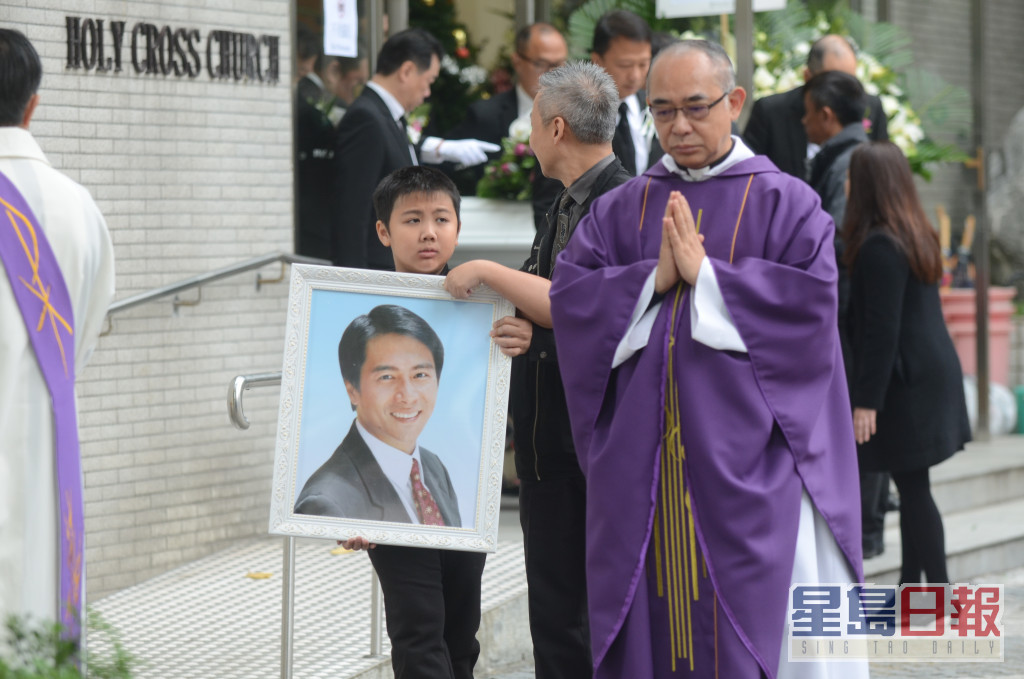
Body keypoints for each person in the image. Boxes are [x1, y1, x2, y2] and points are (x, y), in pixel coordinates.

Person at [549, 40, 865, 678]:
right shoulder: (621, 209)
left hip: (755, 473)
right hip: (644, 472)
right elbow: (573, 299)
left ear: (735, 102)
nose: (679, 127)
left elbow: (810, 313)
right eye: (661, 112)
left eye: (695, 108)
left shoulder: (788, 204)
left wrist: (709, 278)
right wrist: (652, 282)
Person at [446, 62, 630, 679]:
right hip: (551, 443)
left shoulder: (621, 205)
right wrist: (534, 329)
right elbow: (556, 304)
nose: (526, 136)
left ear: (556, 127)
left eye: (530, 121)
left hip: (592, 448)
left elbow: (587, 309)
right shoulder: (564, 204)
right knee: (556, 609)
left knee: (582, 613)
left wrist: (489, 276)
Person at [303, 167, 508, 679]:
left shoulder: (488, 306)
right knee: (419, 631)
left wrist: (521, 340)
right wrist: (343, 519)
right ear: (383, 231)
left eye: (441, 218)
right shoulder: (353, 299)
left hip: (460, 515)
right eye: (412, 219)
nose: (429, 232)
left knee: (461, 635)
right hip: (392, 524)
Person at [0, 28, 115, 637]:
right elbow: (88, 329)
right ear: (34, 103)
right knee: (39, 616)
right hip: (48, 441)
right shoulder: (80, 208)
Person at [843, 141, 971, 585]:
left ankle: (938, 593)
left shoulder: (879, 246)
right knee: (913, 482)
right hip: (928, 373)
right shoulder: (915, 232)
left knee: (913, 488)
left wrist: (866, 402)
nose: (844, 185)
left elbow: (881, 332)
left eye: (852, 178)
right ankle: (910, 587)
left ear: (867, 188)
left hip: (906, 384)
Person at [802, 70, 888, 559]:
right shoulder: (853, 154)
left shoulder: (847, 162)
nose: (803, 121)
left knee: (857, 424)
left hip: (846, 312)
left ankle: (864, 533)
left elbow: (833, 242)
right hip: (850, 310)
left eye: (809, 112)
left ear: (827, 115)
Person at [331, 28, 497, 270]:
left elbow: (393, 152)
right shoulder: (366, 118)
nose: (428, 92)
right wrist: (350, 280)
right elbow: (352, 211)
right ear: (407, 71)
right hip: (379, 269)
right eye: (428, 80)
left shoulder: (384, 115)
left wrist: (437, 148)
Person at [293, 304, 461, 523]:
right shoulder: (326, 501)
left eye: (420, 375)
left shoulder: (433, 467)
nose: (408, 396)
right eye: (387, 377)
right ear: (352, 390)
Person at [446, 23, 568, 229]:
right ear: (517, 61)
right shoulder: (485, 115)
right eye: (542, 64)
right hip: (494, 226)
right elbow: (448, 165)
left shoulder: (577, 115)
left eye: (560, 64)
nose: (553, 74)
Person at [743, 34, 888, 180]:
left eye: (851, 83)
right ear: (807, 77)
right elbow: (750, 177)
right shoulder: (771, 112)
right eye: (834, 84)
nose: (845, 94)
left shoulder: (871, 108)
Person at [590, 9, 662, 176]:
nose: (635, 76)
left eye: (643, 64)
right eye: (625, 65)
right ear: (597, 60)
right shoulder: (575, 114)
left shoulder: (656, 106)